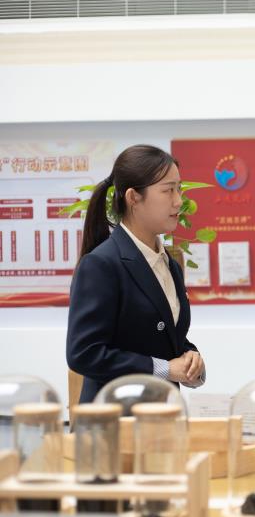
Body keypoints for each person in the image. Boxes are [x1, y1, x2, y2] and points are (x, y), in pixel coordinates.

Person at [66, 144, 206, 403]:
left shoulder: (170, 264)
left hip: (161, 415)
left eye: (179, 189)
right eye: (168, 190)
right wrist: (165, 369)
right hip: (114, 418)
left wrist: (190, 358)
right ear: (133, 198)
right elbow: (84, 354)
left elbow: (162, 338)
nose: (178, 201)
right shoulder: (101, 264)